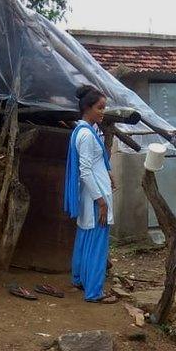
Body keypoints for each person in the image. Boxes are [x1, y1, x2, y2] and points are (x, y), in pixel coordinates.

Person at [63, 85, 117, 303]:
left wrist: (110, 174)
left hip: (92, 196)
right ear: (87, 108)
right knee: (97, 243)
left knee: (85, 237)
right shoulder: (86, 135)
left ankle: (79, 279)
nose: (103, 112)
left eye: (104, 108)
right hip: (96, 197)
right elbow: (85, 172)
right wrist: (101, 201)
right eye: (100, 108)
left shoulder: (88, 131)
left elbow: (96, 163)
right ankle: (94, 292)